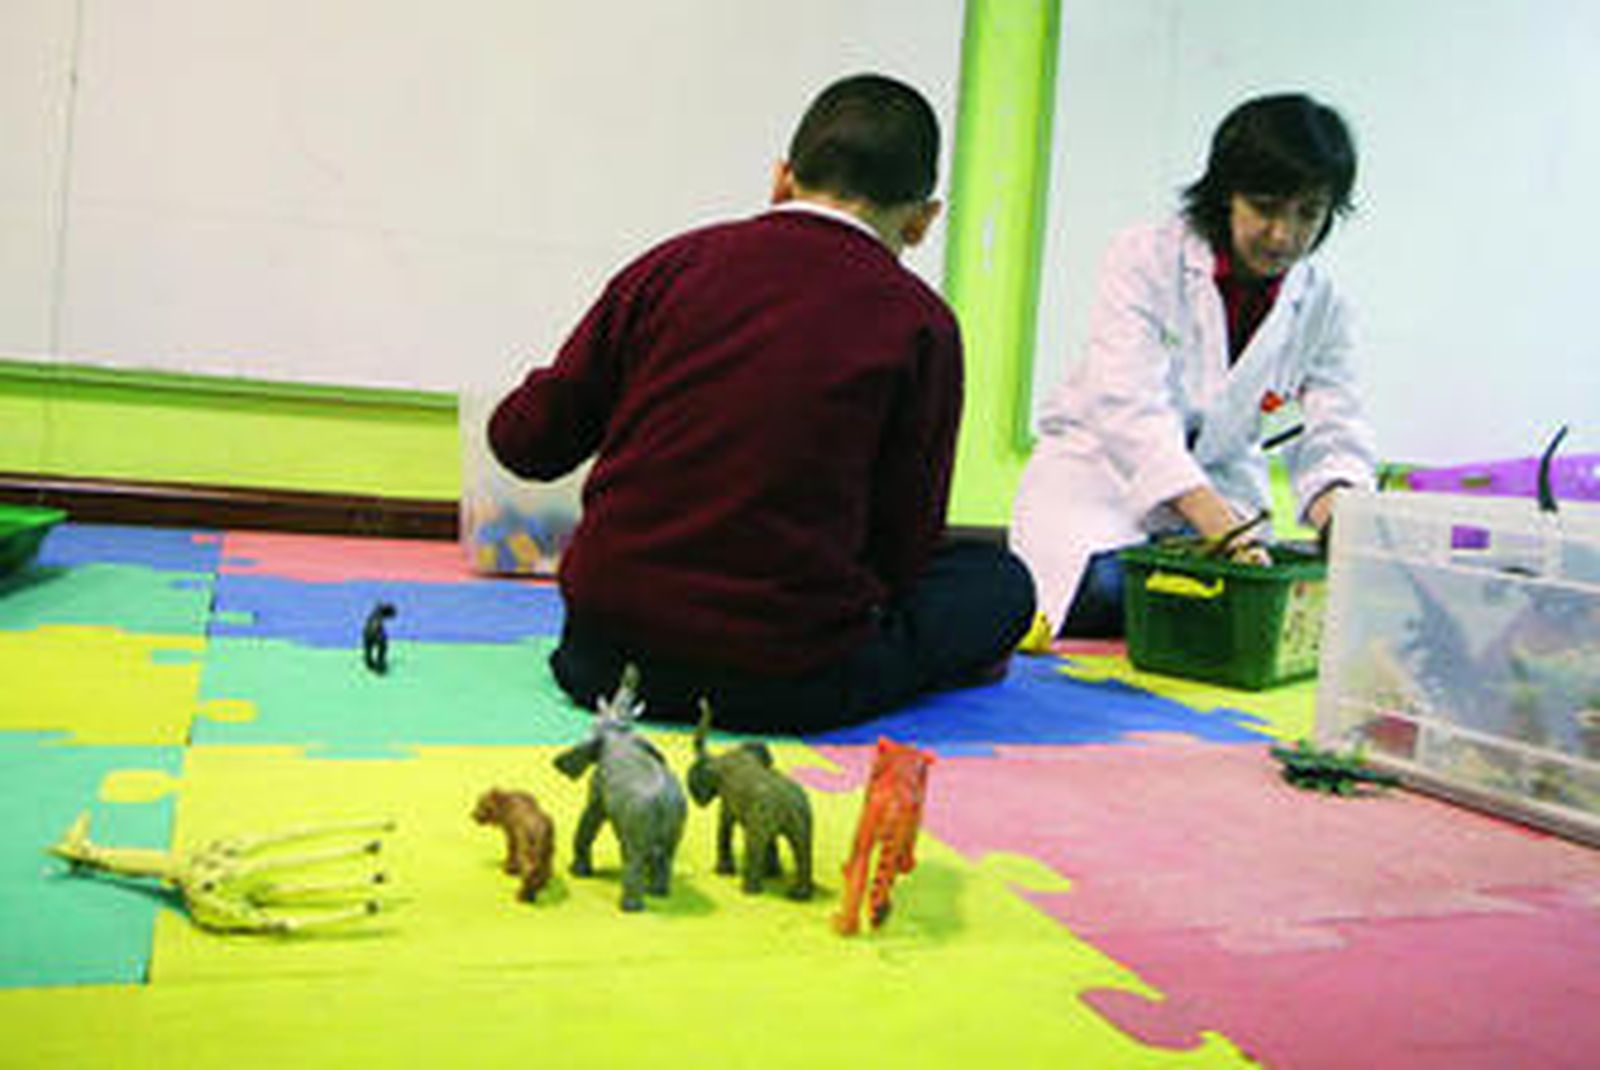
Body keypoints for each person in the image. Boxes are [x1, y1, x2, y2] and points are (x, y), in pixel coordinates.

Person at [489, 73, 1036, 732]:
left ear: (781, 178)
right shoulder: (921, 324)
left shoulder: (670, 267)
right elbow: (902, 545)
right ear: (922, 221)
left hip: (601, 661)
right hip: (789, 682)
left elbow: (526, 443)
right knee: (997, 583)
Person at [1010, 92, 1379, 638]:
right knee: (1116, 590)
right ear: (1225, 193)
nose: (1284, 235)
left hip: (1224, 501)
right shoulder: (1144, 258)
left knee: (1278, 608)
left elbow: (1327, 432)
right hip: (1100, 490)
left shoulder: (1322, 306)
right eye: (1266, 207)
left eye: (1308, 214)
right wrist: (1222, 533)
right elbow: (1128, 407)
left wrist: (1344, 536)